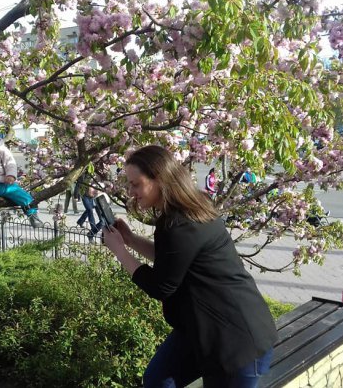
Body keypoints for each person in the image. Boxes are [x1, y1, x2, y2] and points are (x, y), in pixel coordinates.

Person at [102, 145, 278, 388]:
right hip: (202, 329)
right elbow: (175, 262)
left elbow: (161, 286)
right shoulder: (183, 213)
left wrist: (120, 252)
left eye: (136, 184)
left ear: (160, 180)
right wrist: (131, 240)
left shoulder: (180, 223)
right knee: (157, 380)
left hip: (234, 342)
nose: (131, 192)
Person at [75, 172, 102, 241]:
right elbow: (78, 185)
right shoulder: (83, 175)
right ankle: (93, 228)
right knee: (90, 210)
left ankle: (80, 221)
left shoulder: (97, 175)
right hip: (85, 196)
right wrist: (76, 195)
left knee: (88, 210)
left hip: (93, 196)